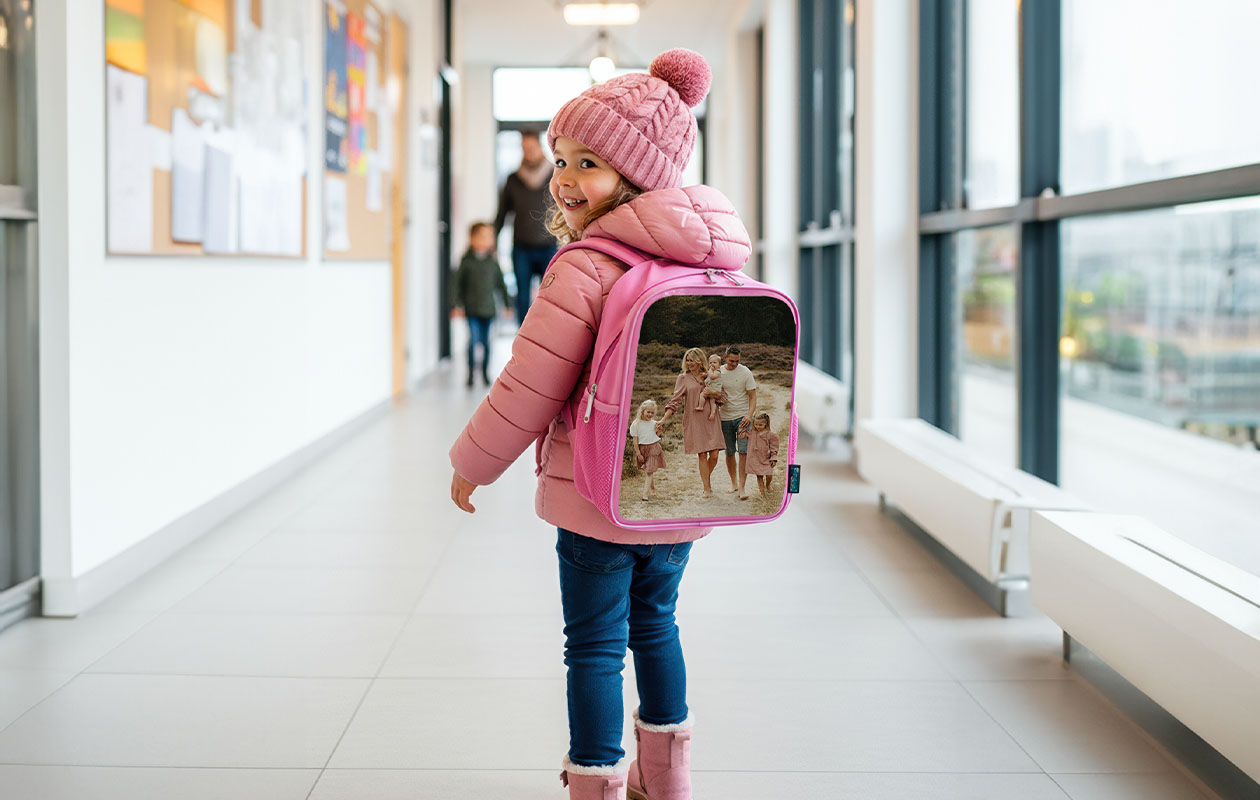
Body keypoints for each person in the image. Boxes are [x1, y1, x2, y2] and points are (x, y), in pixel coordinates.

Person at [449, 49, 750, 800]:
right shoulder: (713, 263)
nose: (565, 179)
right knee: (657, 626)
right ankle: (667, 779)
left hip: (596, 501)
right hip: (679, 494)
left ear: (639, 174)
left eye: (588, 163)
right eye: (561, 159)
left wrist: (472, 461)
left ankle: (596, 786)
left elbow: (529, 383)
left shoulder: (585, 266)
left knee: (592, 648)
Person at [495, 128, 559, 325]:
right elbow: (503, 212)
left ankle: (548, 337)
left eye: (531, 147)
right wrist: (492, 239)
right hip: (521, 246)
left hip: (548, 245)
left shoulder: (554, 175)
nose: (528, 152)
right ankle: (523, 337)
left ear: (539, 147)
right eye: (524, 148)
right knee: (522, 296)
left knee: (550, 296)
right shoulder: (513, 179)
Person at [656, 348, 726, 499]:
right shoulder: (683, 378)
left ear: (700, 361)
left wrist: (713, 393)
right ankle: (706, 489)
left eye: (692, 360)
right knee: (702, 454)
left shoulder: (711, 374)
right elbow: (675, 401)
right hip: (694, 419)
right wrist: (663, 419)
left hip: (711, 417)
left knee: (714, 455)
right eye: (687, 360)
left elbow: (722, 396)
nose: (689, 363)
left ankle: (705, 479)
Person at [454, 221, 511, 387]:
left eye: (489, 237)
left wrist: (507, 305)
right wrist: (456, 305)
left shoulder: (492, 263)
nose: (487, 240)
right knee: (473, 342)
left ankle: (485, 373)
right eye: (482, 236)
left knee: (486, 344)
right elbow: (457, 285)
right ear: (472, 239)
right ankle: (471, 373)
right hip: (471, 310)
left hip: (489, 311)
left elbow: (501, 285)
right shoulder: (466, 262)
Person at [715, 345, 758, 499]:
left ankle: (742, 488)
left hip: (742, 418)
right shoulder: (719, 372)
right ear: (725, 357)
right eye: (732, 361)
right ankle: (733, 483)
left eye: (737, 361)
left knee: (743, 452)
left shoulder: (745, 372)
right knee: (729, 452)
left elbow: (752, 397)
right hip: (725, 418)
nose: (734, 363)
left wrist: (749, 415)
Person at [629, 399, 666, 501]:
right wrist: (638, 454)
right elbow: (635, 441)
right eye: (648, 412)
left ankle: (645, 494)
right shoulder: (636, 424)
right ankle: (653, 487)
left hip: (653, 448)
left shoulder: (654, 423)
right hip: (642, 450)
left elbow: (655, 436)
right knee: (649, 471)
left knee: (649, 471)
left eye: (652, 413)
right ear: (642, 411)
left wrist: (659, 431)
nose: (650, 414)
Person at [745, 412, 779, 500]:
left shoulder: (770, 435)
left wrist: (774, 458)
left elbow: (774, 447)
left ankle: (768, 485)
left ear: (766, 423)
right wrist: (742, 426)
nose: (758, 426)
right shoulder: (752, 432)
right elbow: (742, 435)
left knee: (769, 475)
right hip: (756, 459)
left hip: (766, 459)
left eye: (760, 425)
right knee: (759, 476)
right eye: (756, 424)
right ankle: (762, 494)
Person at [698, 353, 726, 420]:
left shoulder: (718, 371)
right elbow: (708, 375)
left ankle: (701, 406)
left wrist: (709, 370)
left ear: (719, 365)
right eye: (710, 363)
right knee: (712, 402)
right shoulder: (711, 371)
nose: (712, 364)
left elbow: (712, 376)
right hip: (712, 388)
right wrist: (704, 374)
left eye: (714, 362)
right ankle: (712, 412)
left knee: (703, 395)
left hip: (715, 389)